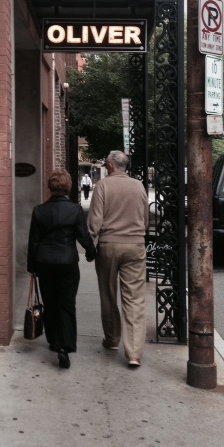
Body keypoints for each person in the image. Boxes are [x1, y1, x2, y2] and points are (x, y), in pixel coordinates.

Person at [27, 169, 96, 369]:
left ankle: (54, 341)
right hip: (67, 263)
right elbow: (83, 236)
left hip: (44, 262)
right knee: (66, 303)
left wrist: (32, 267)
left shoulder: (39, 210)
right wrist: (91, 252)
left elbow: (33, 241)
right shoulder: (74, 210)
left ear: (50, 187)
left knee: (50, 302)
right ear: (68, 187)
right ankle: (66, 346)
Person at [88, 150, 149, 368]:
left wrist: (90, 243)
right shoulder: (139, 186)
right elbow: (145, 218)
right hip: (135, 245)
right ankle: (134, 353)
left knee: (108, 293)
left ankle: (112, 338)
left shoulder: (103, 186)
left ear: (110, 166)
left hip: (109, 245)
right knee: (134, 298)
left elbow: (95, 220)